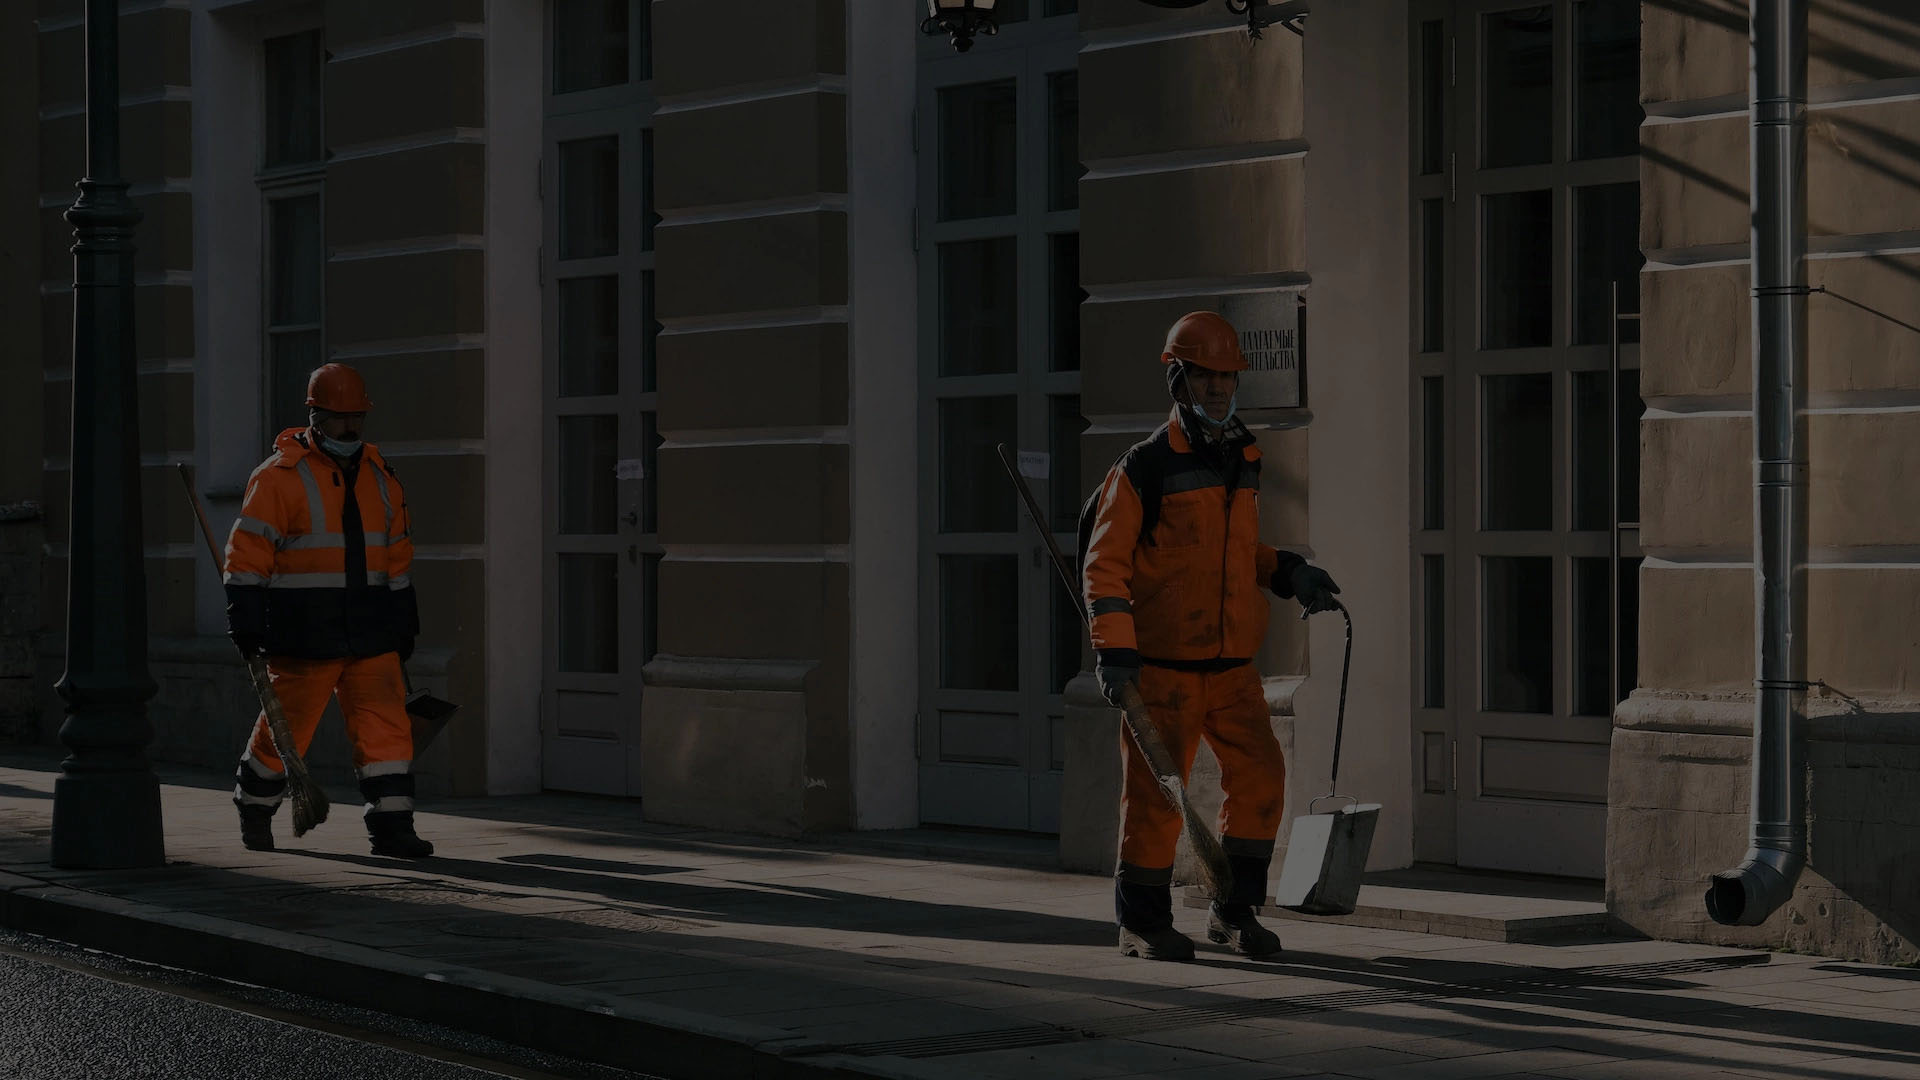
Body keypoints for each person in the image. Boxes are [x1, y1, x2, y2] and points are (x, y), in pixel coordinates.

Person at [1082, 310, 1340, 960]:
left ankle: (1234, 911)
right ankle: (1141, 922)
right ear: (1178, 380)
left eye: (1227, 377)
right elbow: (1104, 565)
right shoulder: (1143, 468)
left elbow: (1236, 552)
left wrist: (1289, 572)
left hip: (1230, 669)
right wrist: (1114, 652)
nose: (1219, 388)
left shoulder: (1242, 458)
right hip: (1162, 669)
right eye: (1204, 376)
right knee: (1157, 800)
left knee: (1260, 777)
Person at [223, 362, 433, 858]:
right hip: (305, 629)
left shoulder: (382, 476)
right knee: (286, 727)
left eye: (357, 415)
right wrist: (246, 616)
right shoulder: (278, 477)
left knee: (385, 729)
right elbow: (249, 553)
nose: (350, 426)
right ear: (315, 414)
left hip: (371, 626)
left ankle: (392, 827)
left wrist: (404, 615)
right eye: (339, 417)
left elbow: (397, 551)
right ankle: (255, 808)